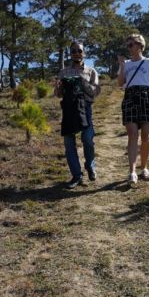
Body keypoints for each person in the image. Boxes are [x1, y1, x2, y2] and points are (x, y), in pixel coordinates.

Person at [116, 33, 149, 184]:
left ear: (140, 45)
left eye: (132, 44)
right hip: (130, 97)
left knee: (146, 136)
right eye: (127, 45)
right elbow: (120, 83)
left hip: (145, 97)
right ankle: (132, 171)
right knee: (132, 135)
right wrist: (122, 65)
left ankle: (144, 168)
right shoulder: (127, 64)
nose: (129, 47)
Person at [55, 41, 101, 189]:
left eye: (79, 51)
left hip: (85, 108)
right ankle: (76, 175)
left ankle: (90, 165)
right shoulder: (63, 72)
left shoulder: (91, 71)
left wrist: (83, 83)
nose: (76, 53)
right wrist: (58, 88)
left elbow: (94, 93)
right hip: (68, 109)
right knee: (69, 144)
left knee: (88, 139)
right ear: (70, 53)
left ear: (84, 53)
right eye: (73, 51)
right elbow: (58, 94)